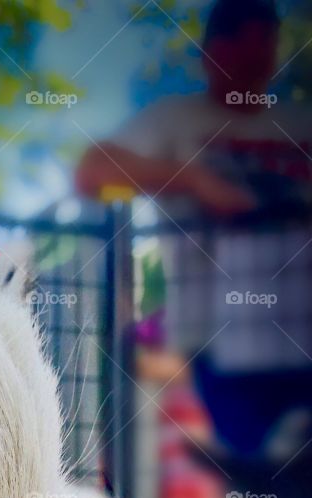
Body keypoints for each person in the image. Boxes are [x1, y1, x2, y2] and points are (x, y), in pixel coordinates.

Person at [75, 0, 312, 457]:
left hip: (302, 329)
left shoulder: (298, 122)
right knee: (262, 476)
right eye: (239, 45)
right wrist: (193, 179)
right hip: (222, 344)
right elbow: (93, 171)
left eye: (265, 44)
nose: (254, 59)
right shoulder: (174, 118)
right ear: (210, 53)